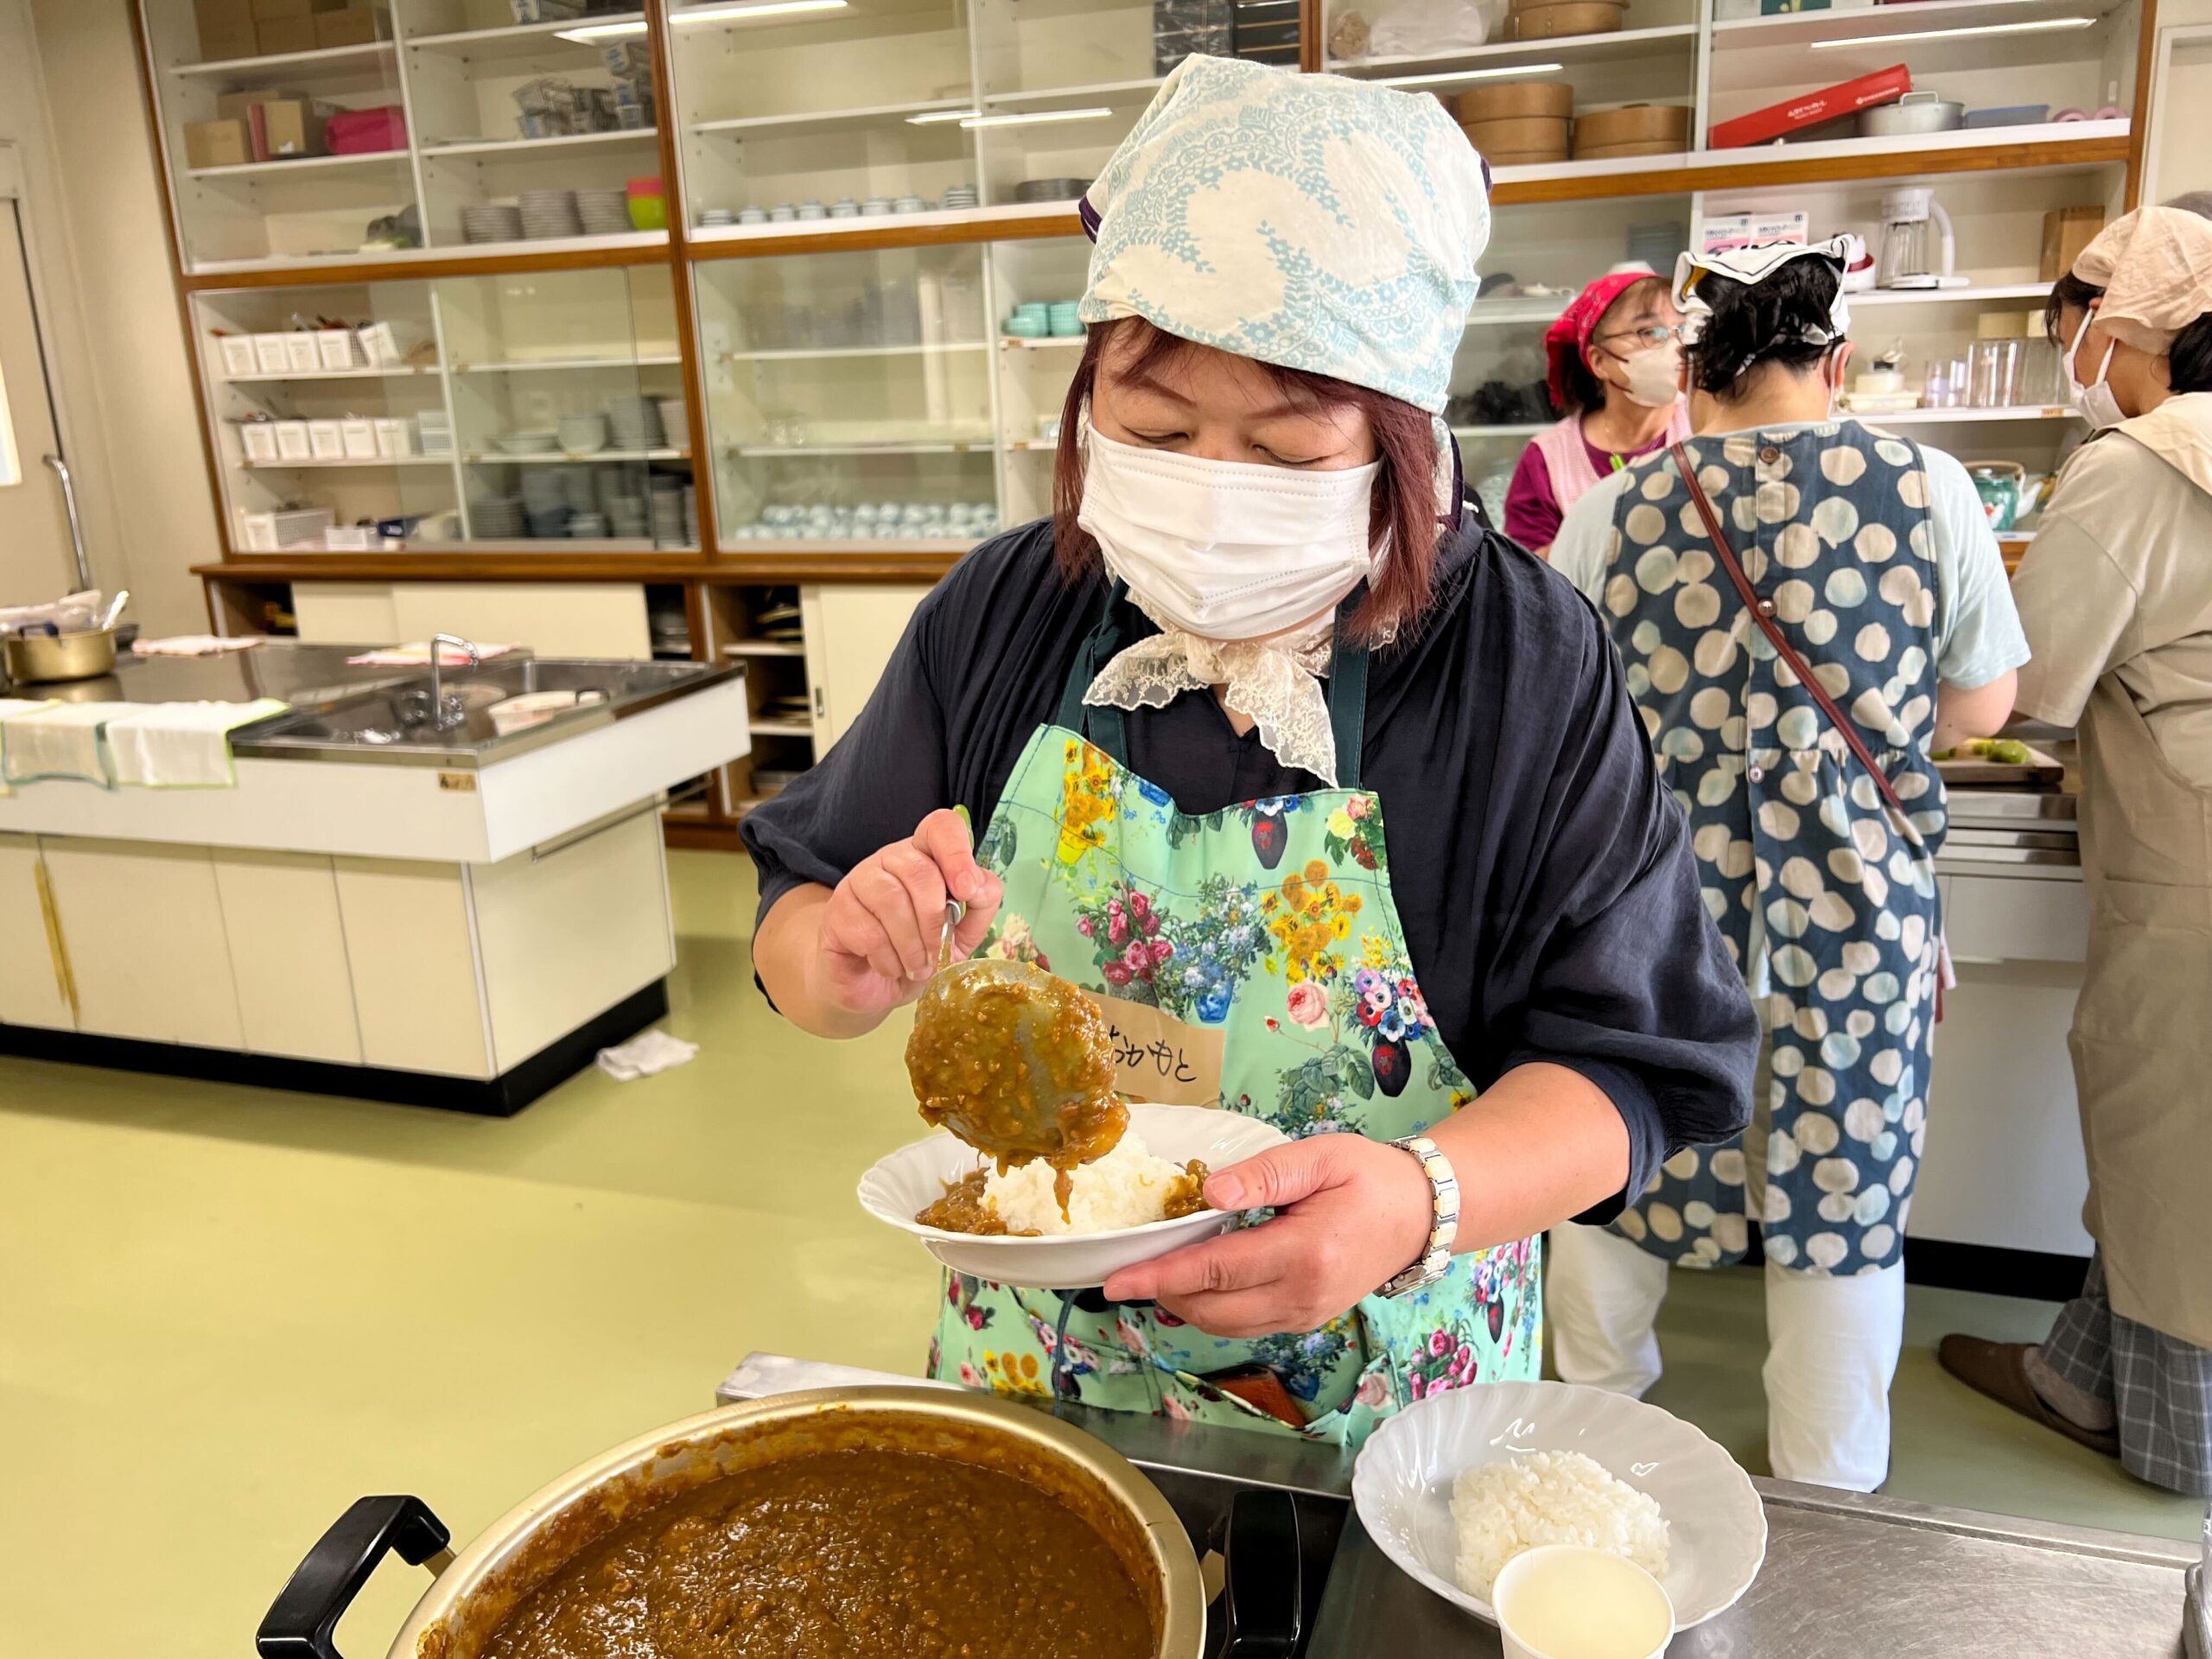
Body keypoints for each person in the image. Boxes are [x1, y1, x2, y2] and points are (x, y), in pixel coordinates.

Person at [741, 56, 1758, 1446]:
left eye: (1284, 452)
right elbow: (799, 915)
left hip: (1390, 1390)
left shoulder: (1526, 660)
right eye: (1157, 430)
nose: (1212, 493)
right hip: (1039, 1376)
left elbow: (1635, 1067)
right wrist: (842, 962)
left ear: (1402, 437)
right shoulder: (1009, 606)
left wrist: (1417, 1200)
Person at [1544, 237, 2029, 1491]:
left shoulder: (1616, 509)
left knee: (1623, 1157)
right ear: (1839, 359)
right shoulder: (1932, 491)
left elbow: (1563, 714)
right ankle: (1828, 1487)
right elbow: (1983, 704)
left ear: (1690, 368)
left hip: (1650, 914)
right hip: (1859, 910)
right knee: (1845, 1191)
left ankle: (1596, 1444)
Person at [1938, 206, 2212, 1499]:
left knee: (2171, 1140)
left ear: (2120, 325)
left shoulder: (2143, 463)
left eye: (2074, 327)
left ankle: (2173, 1445)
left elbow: (2024, 681)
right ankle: (2080, 1374)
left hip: (2188, 847)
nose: (2071, 353)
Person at [1502, 270, 1693, 555]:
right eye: (1651, 332)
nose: (1677, 347)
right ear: (1599, 361)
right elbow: (1527, 572)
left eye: (1684, 329)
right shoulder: (1550, 458)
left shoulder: (1707, 428)